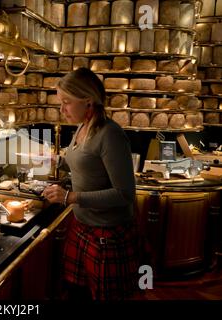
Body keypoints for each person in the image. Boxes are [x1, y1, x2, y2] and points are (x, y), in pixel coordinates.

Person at [42, 68, 140, 301]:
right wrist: (56, 160)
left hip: (107, 236)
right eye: (60, 102)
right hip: (82, 227)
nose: (61, 109)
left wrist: (70, 197)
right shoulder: (82, 127)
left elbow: (125, 194)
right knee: (77, 293)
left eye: (66, 102)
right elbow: (85, 165)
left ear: (88, 101)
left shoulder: (110, 135)